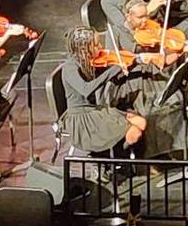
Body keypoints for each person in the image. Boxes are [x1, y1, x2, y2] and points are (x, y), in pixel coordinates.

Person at [57, 27, 148, 157]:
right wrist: (114, 69)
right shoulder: (70, 67)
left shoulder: (88, 62)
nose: (101, 47)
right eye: (96, 44)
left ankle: (117, 154)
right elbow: (86, 90)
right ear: (84, 48)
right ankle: (116, 160)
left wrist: (134, 61)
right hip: (82, 118)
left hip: (96, 110)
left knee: (141, 122)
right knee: (135, 132)